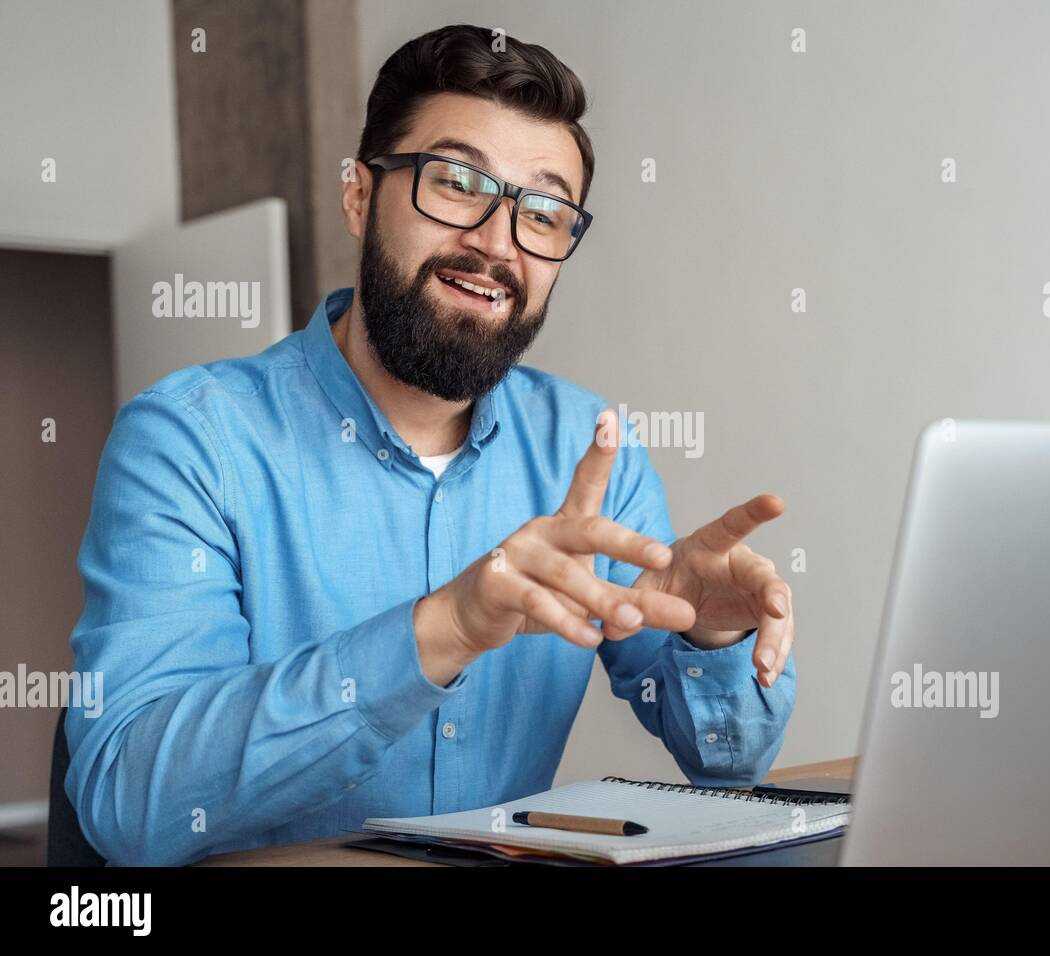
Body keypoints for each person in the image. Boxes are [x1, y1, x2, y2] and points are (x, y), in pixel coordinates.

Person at [64, 23, 795, 866]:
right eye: (454, 183)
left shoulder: (588, 449)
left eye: (544, 211)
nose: (495, 242)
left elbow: (728, 760)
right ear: (358, 197)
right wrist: (443, 627)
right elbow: (131, 805)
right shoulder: (191, 440)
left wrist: (710, 637)